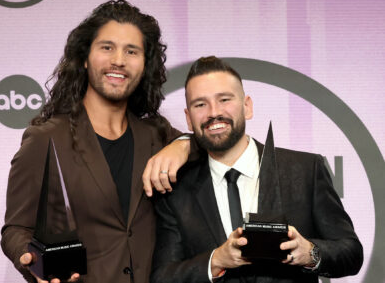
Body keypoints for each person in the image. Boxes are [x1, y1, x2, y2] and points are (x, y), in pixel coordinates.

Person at [1, 0, 194, 283]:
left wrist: (184, 144)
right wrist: (30, 260)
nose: (119, 60)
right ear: (84, 57)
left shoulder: (156, 134)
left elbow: (208, 145)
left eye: (132, 51)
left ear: (144, 64)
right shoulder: (46, 138)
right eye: (107, 47)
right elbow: (16, 228)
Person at [150, 56, 363, 283]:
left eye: (224, 99)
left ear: (247, 106)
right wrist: (216, 260)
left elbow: (350, 253)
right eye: (200, 104)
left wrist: (308, 252)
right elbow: (163, 277)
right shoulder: (177, 190)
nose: (213, 112)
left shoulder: (305, 170)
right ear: (189, 119)